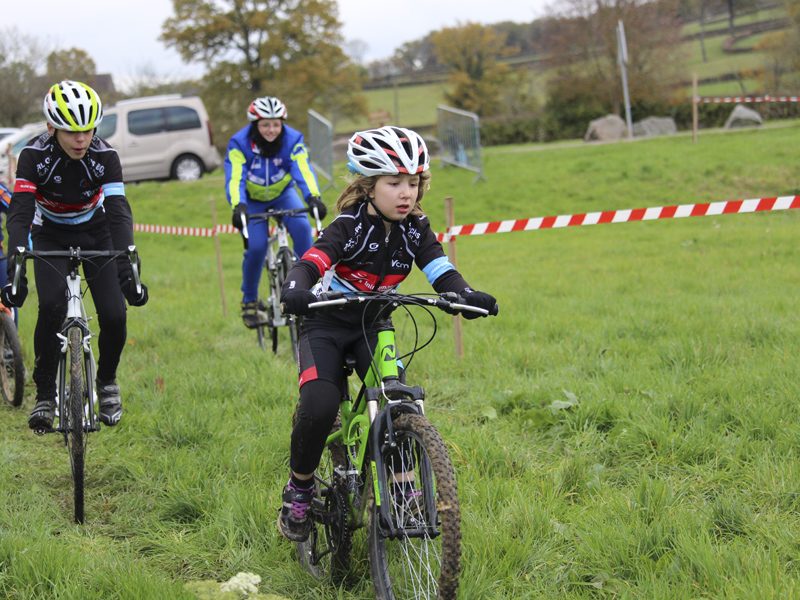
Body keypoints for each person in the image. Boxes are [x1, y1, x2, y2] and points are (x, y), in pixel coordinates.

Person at [276, 125, 498, 541]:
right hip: (325, 321)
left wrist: (465, 295)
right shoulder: (350, 225)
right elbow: (313, 260)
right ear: (368, 185)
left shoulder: (415, 227)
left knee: (397, 398)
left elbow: (439, 267)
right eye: (394, 182)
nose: (406, 193)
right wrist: (296, 287)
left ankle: (403, 487)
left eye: (413, 183)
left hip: (375, 325)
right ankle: (299, 488)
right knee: (321, 403)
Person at [1, 80, 149, 430]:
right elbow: (20, 210)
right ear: (53, 128)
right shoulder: (34, 157)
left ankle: (108, 380)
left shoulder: (105, 157)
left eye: (87, 130)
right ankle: (45, 395)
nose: (81, 139)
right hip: (49, 230)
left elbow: (118, 210)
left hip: (96, 229)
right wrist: (17, 257)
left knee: (114, 314)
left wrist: (128, 259)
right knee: (51, 307)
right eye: (71, 132)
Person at [224, 96, 327, 329]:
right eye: (265, 125)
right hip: (252, 200)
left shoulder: (293, 140)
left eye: (276, 124)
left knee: (302, 229)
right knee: (257, 246)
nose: (271, 130)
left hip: (283, 194)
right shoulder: (239, 143)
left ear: (282, 124)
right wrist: (238, 204)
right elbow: (235, 176)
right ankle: (249, 301)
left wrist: (313, 196)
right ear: (255, 125)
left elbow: (303, 168)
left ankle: (311, 288)